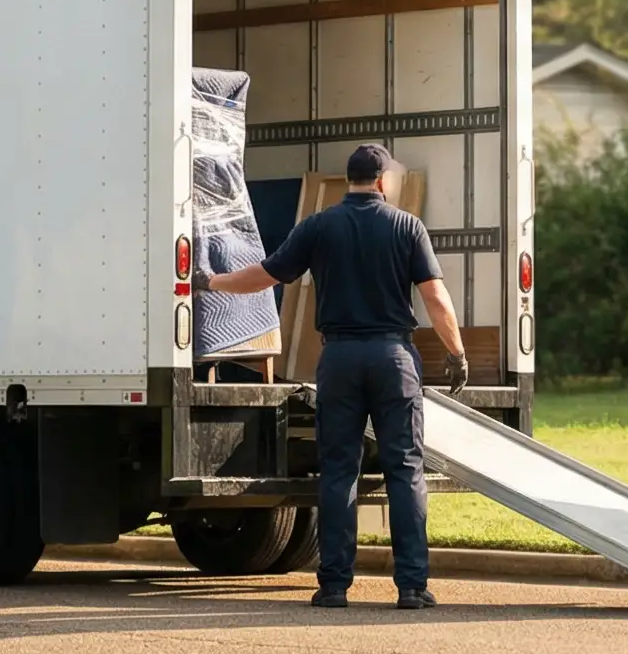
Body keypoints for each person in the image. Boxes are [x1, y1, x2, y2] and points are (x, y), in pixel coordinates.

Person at [196, 143, 468, 609]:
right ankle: (412, 587)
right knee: (405, 470)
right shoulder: (407, 227)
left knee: (338, 471)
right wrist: (456, 352)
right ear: (383, 181)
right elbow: (436, 299)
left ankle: (335, 585)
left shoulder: (318, 226)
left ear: (350, 181)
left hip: (339, 360)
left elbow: (265, 276)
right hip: (392, 358)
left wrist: (211, 281)